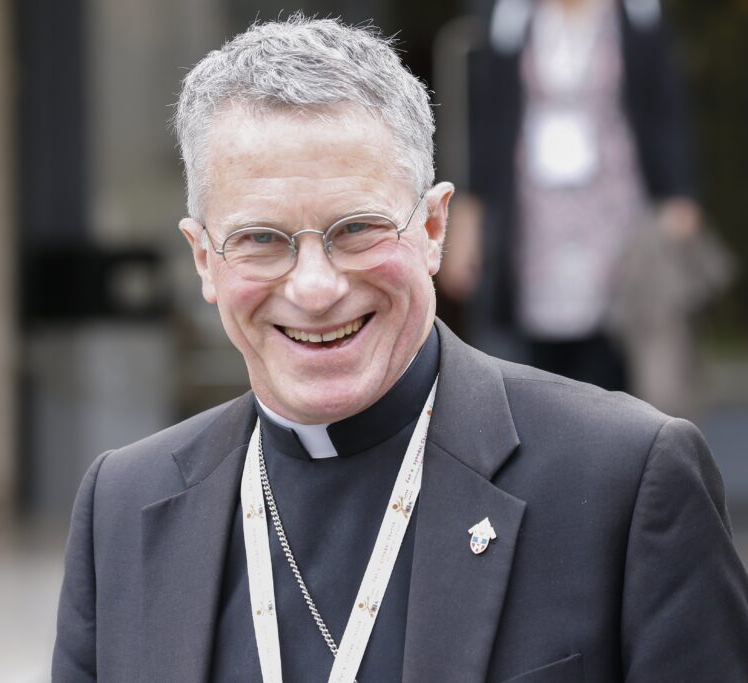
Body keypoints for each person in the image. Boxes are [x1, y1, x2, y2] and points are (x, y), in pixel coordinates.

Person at [52, 15, 748, 682]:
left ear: (435, 226)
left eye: (357, 228)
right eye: (261, 239)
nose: (316, 287)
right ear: (203, 259)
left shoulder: (623, 481)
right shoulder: (122, 505)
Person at [439, 0, 703, 394]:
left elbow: (664, 104)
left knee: (616, 334)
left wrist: (678, 193)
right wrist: (469, 214)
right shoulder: (509, 14)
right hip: (533, 212)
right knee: (536, 336)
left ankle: (613, 439)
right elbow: (489, 120)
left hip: (614, 202)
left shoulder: (638, 12)